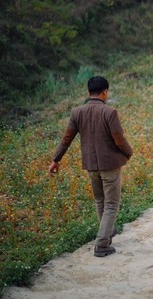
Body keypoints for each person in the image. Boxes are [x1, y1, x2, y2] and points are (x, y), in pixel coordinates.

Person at [48, 76, 133, 257]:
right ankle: (102, 244)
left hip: (91, 166)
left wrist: (56, 159)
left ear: (88, 92)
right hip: (109, 165)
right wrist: (128, 152)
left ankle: (107, 232)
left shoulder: (77, 112)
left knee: (100, 201)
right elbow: (119, 137)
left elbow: (66, 139)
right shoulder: (110, 112)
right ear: (105, 92)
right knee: (111, 204)